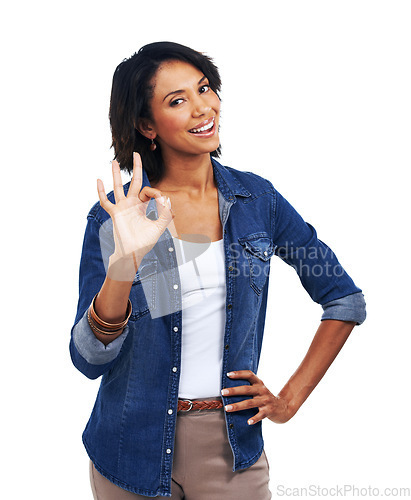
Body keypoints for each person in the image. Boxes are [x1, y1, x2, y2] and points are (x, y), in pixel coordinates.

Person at [70, 41, 366, 500]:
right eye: (177, 100)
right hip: (130, 448)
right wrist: (124, 264)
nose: (201, 108)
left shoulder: (259, 203)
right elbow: (89, 359)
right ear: (147, 125)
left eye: (204, 88)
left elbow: (343, 298)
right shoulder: (118, 216)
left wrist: (287, 401)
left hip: (231, 451)